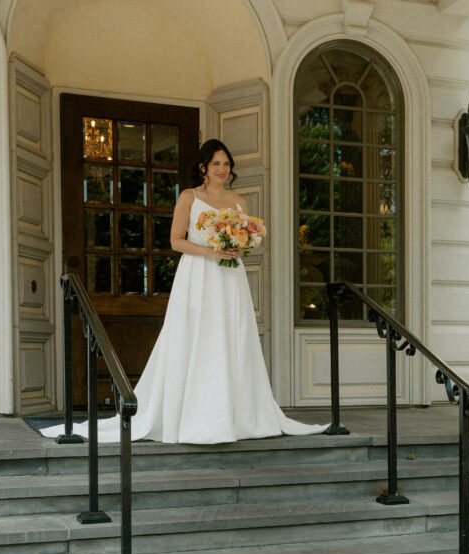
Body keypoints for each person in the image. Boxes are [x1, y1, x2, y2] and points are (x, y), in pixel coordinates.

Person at [44, 139, 326, 444]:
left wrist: (236, 246)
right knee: (196, 335)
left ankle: (237, 415)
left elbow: (243, 244)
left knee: (232, 336)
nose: (222, 169)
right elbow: (176, 241)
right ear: (203, 167)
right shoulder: (189, 198)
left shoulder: (238, 201)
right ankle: (190, 414)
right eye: (216, 163)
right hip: (198, 276)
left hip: (230, 280)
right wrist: (211, 252)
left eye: (226, 164)